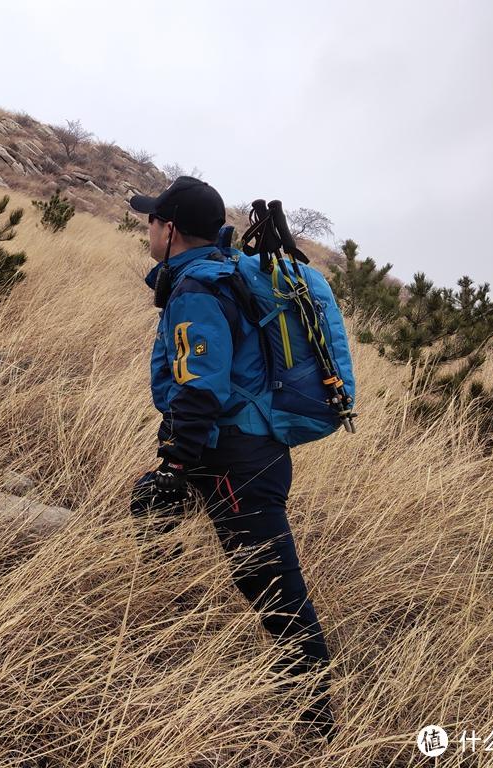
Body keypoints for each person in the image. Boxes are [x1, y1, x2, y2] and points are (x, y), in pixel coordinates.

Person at [128, 176, 336, 742]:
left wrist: (173, 465)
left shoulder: (196, 289)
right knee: (161, 527)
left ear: (169, 229)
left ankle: (319, 725)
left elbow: (201, 387)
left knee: (272, 586)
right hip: (242, 450)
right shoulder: (214, 274)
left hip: (236, 460)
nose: (146, 227)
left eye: (151, 220)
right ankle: (158, 640)